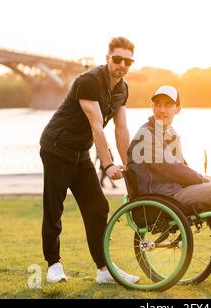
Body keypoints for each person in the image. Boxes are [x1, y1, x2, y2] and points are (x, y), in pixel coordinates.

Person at [127, 85, 211, 275]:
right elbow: (174, 170)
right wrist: (206, 183)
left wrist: (205, 184)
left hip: (173, 194)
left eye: (168, 105)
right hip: (163, 198)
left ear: (178, 109)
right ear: (152, 107)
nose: (161, 110)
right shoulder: (147, 135)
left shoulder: (170, 134)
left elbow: (180, 168)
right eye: (157, 104)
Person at [39, 36, 138, 284]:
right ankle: (54, 264)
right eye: (117, 59)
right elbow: (97, 126)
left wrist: (127, 167)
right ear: (107, 59)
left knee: (98, 206)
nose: (122, 65)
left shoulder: (122, 89)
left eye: (128, 61)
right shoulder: (89, 82)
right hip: (56, 148)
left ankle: (104, 270)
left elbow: (121, 129)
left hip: (80, 153)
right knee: (54, 208)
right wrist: (107, 164)